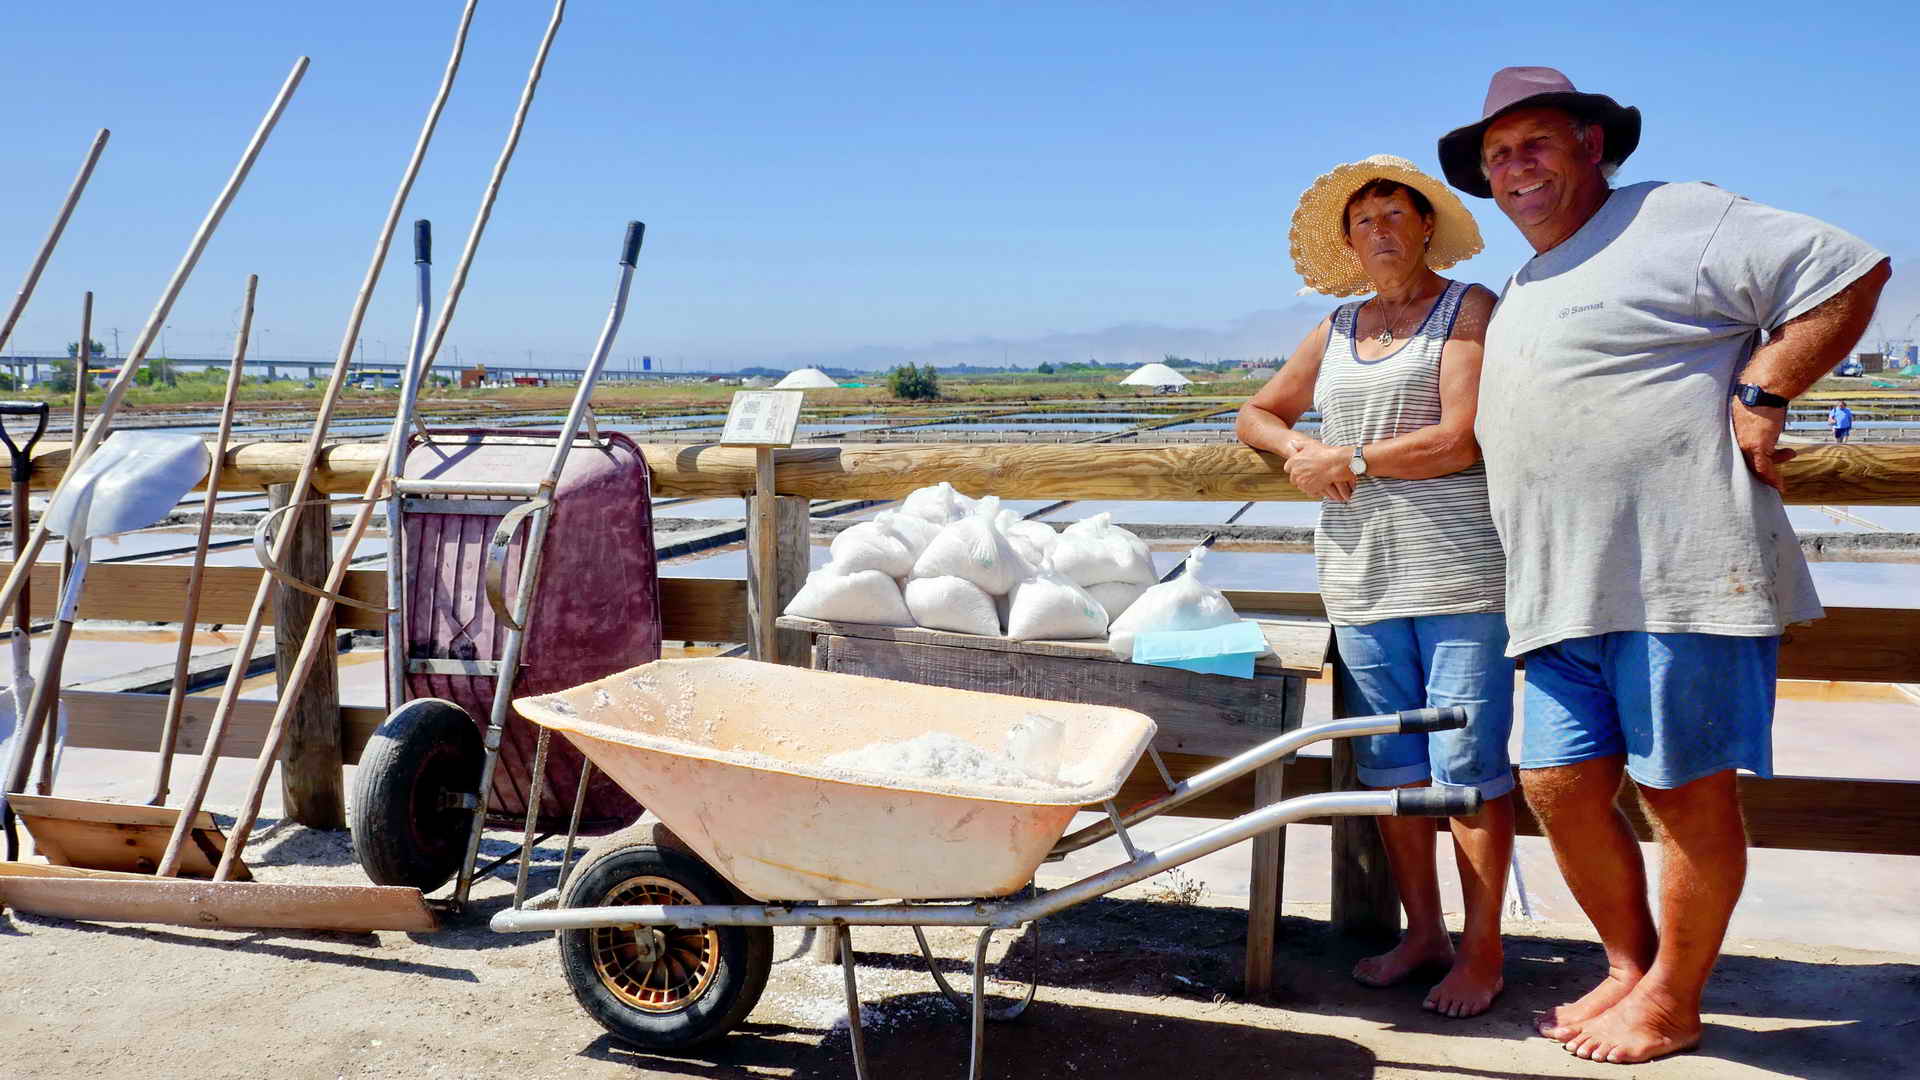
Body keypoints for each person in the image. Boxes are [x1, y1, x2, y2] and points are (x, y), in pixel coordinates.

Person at [1436, 66, 1892, 1063]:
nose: (1515, 167)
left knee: (1685, 794)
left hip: (1681, 575)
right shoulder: (1527, 280)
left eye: (1537, 143)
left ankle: (1674, 1001)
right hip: (1559, 588)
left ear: (1592, 144)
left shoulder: (1675, 216)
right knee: (1556, 785)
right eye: (1498, 155)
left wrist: (1767, 388)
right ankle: (1629, 967)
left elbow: (1848, 270)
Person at [1238, 155, 1514, 1018]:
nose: (1381, 230)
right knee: (1393, 766)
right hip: (1361, 579)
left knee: (1469, 769)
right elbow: (1257, 413)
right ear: (1349, 242)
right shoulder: (1337, 326)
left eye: (1396, 214)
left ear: (1427, 226)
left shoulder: (1469, 308)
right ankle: (1424, 935)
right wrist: (1299, 451)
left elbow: (1462, 437)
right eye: (1364, 221)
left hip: (1461, 576)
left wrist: (1349, 459)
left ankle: (1483, 952)